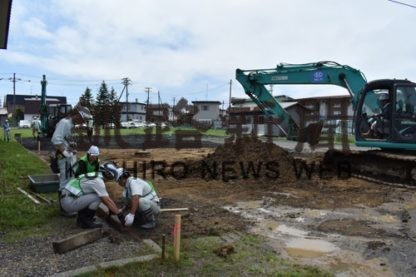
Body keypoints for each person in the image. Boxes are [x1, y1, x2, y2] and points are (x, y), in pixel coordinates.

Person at [51, 104, 92, 216]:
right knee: (65, 182)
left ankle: (69, 204)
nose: (81, 121)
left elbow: (69, 140)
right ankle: (64, 209)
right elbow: (56, 139)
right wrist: (65, 152)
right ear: (77, 115)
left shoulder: (72, 125)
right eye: (81, 118)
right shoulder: (64, 123)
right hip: (64, 158)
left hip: (69, 157)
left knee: (71, 180)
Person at [60, 158, 124, 229]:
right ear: (108, 174)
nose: (110, 180)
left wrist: (112, 210)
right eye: (111, 177)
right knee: (97, 197)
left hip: (67, 198)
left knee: (95, 195)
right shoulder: (97, 181)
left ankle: (81, 220)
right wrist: (119, 214)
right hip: (69, 203)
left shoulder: (94, 175)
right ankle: (86, 222)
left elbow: (105, 199)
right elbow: (107, 200)